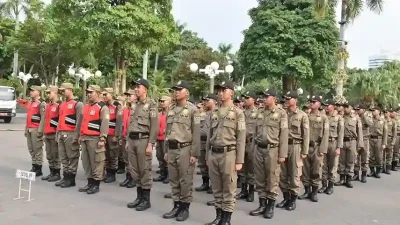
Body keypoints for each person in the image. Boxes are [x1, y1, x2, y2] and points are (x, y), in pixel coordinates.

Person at [205, 80, 246, 225]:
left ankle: (226, 220)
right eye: (219, 90)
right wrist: (207, 156)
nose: (220, 93)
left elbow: (241, 138)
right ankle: (218, 217)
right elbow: (209, 135)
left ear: (231, 93)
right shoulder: (213, 112)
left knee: (228, 188)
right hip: (214, 153)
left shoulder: (238, 113)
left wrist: (239, 160)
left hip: (229, 154)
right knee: (216, 187)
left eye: (224, 90)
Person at [162, 81, 200, 221]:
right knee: (174, 180)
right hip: (172, 149)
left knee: (185, 181)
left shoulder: (193, 110)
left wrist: (194, 153)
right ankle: (176, 205)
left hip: (185, 149)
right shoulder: (171, 109)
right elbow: (168, 131)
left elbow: (196, 133)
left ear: (187, 93)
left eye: (179, 89)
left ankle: (185, 208)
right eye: (175, 89)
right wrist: (166, 150)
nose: (176, 92)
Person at [249, 89, 288, 219]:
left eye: (267, 97)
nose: (264, 99)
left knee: (272, 178)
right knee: (259, 178)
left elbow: (283, 135)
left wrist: (282, 154)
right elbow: (255, 132)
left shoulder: (281, 113)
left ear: (274, 98)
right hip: (259, 149)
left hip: (273, 149)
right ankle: (262, 204)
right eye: (263, 97)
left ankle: (270, 206)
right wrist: (252, 149)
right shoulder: (259, 112)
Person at [126, 78, 158, 211]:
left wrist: (151, 143)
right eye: (135, 87)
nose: (136, 89)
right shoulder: (134, 104)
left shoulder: (151, 104)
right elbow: (130, 123)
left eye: (139, 87)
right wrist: (128, 140)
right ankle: (139, 197)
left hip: (143, 140)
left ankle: (146, 199)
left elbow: (154, 126)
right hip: (132, 139)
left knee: (144, 169)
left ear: (145, 89)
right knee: (134, 170)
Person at [276, 90, 309, 211]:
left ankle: (293, 200)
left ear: (295, 100)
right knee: (282, 174)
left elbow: (306, 134)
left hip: (296, 146)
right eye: (285, 98)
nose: (286, 100)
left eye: (289, 98)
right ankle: (285, 197)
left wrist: (304, 151)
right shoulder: (283, 114)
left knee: (295, 174)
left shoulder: (302, 115)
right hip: (284, 146)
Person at [77, 85, 109, 194]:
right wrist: (80, 136)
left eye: (91, 92)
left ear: (98, 93)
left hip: (95, 138)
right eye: (88, 92)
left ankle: (96, 184)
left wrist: (102, 138)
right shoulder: (85, 106)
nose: (89, 94)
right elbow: (82, 123)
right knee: (86, 161)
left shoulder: (102, 107)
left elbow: (105, 123)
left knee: (97, 162)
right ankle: (90, 182)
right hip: (85, 137)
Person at [298, 95, 329, 203]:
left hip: (317, 146)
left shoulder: (324, 117)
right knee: (305, 170)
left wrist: (322, 150)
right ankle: (307, 191)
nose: (311, 103)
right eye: (311, 101)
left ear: (319, 104)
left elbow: (325, 135)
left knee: (316, 170)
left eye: (314, 101)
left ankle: (314, 192)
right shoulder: (305, 116)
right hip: (307, 146)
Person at [56, 83, 83, 188]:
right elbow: (60, 120)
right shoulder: (62, 104)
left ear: (70, 90)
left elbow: (79, 122)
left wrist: (77, 136)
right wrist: (57, 133)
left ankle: (71, 179)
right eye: (61, 91)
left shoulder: (77, 104)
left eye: (64, 90)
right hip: (61, 133)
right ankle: (65, 177)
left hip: (71, 133)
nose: (62, 92)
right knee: (63, 157)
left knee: (72, 157)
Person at [335, 102, 363, 188]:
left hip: (352, 141)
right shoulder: (340, 118)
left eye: (347, 107)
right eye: (344, 107)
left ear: (351, 108)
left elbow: (360, 132)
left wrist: (360, 144)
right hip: (342, 141)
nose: (345, 108)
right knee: (342, 161)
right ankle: (342, 178)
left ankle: (349, 179)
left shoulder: (356, 118)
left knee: (351, 161)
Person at [236, 91, 258, 202]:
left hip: (252, 142)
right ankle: (243, 190)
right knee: (243, 168)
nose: (245, 100)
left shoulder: (258, 113)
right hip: (242, 143)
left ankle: (251, 192)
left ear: (253, 99)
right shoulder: (242, 113)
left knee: (251, 168)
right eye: (244, 98)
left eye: (247, 98)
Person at [319, 99, 343, 194]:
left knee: (333, 165)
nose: (325, 107)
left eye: (327, 105)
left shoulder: (338, 118)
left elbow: (341, 133)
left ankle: (330, 186)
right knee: (323, 165)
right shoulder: (323, 117)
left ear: (332, 106)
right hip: (324, 143)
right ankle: (324, 185)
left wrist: (338, 148)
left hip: (333, 142)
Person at [196, 94, 217, 195]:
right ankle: (205, 183)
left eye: (208, 100)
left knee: (211, 165)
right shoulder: (203, 114)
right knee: (202, 163)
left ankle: (214, 185)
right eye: (204, 100)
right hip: (201, 141)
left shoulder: (217, 113)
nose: (205, 102)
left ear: (214, 102)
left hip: (210, 142)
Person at [22, 85, 46, 176]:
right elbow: (28, 117)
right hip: (29, 128)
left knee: (37, 149)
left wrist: (40, 131)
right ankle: (34, 165)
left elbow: (43, 118)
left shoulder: (41, 104)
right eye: (30, 90)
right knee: (31, 148)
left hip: (36, 128)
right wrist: (26, 129)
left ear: (38, 92)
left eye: (33, 91)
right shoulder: (30, 103)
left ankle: (38, 168)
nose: (30, 92)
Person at [102, 88, 123, 183]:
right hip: (105, 134)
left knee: (113, 155)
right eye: (103, 95)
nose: (104, 96)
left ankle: (112, 174)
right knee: (105, 155)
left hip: (112, 135)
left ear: (111, 94)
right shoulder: (103, 106)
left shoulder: (117, 106)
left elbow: (119, 122)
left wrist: (116, 135)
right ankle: (108, 172)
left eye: (106, 94)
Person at [42, 85, 61, 182]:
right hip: (47, 133)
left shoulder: (59, 106)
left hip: (54, 134)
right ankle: (52, 172)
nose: (48, 94)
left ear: (55, 93)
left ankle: (57, 173)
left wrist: (58, 134)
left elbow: (59, 121)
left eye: (50, 92)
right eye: (47, 93)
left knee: (55, 154)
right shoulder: (47, 105)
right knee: (49, 154)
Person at [119, 89, 136, 188]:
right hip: (125, 136)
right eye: (127, 95)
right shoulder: (126, 109)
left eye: (130, 95)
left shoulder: (137, 109)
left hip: (133, 137)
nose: (128, 97)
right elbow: (123, 124)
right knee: (126, 158)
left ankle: (133, 178)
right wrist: (121, 137)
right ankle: (128, 177)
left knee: (132, 160)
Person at [153, 95, 171, 184]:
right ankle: (162, 173)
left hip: (166, 139)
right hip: (159, 138)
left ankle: (168, 175)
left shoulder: (171, 114)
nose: (162, 103)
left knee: (167, 157)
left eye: (164, 101)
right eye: (161, 101)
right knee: (159, 156)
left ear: (169, 102)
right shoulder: (159, 115)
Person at [366, 106, 387, 178]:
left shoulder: (383, 121)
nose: (373, 112)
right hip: (370, 139)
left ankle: (378, 171)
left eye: (374, 110)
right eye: (372, 111)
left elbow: (385, 133)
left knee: (379, 156)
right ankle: (372, 171)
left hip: (379, 140)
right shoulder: (370, 120)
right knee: (371, 156)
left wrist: (384, 143)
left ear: (378, 111)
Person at [354, 103, 371, 183]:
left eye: (358, 109)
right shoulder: (355, 117)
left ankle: (364, 175)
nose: (357, 111)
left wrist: (363, 116)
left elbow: (370, 124)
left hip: (365, 139)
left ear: (363, 110)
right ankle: (356, 174)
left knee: (364, 158)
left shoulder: (367, 116)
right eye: (356, 110)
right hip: (357, 139)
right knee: (356, 158)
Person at [383, 109, 397, 174]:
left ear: (389, 113)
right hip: (382, 139)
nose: (385, 113)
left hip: (389, 139)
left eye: (386, 112)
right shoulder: (382, 120)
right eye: (384, 112)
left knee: (389, 155)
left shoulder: (393, 121)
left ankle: (388, 168)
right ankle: (382, 168)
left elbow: (394, 132)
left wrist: (393, 141)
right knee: (382, 155)